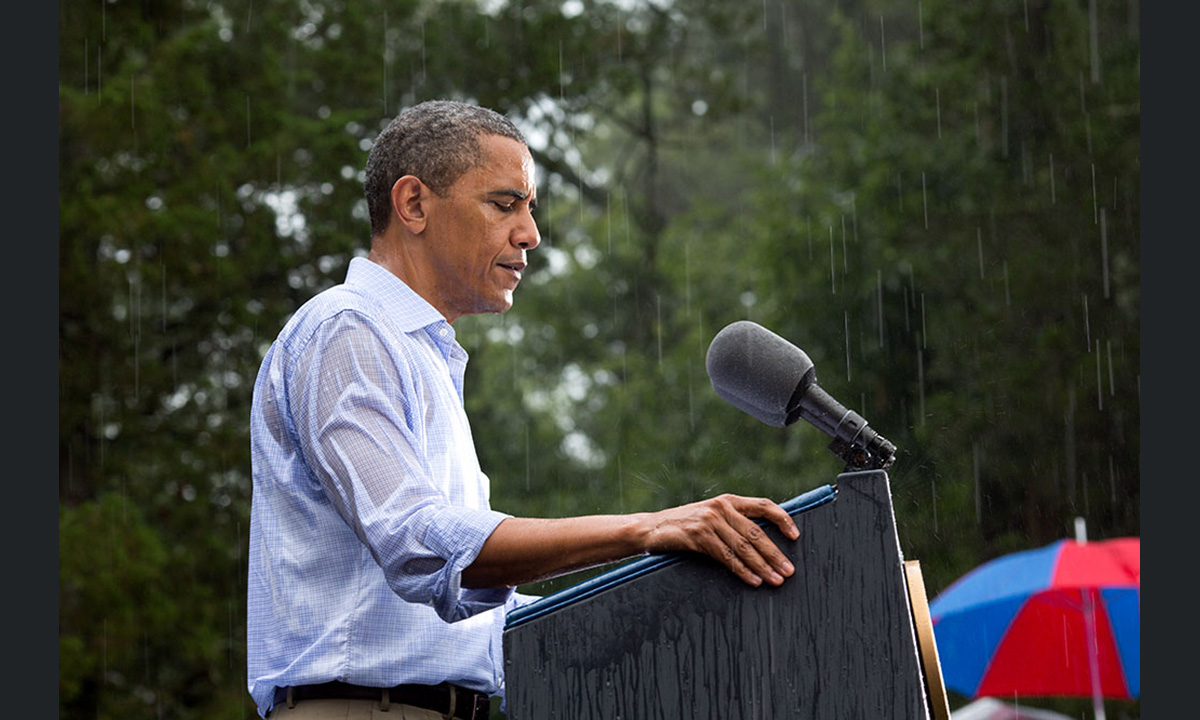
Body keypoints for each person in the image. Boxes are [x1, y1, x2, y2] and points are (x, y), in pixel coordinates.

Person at [247, 99, 801, 719]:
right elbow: (416, 540)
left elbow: (473, 612)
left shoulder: (420, 353)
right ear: (413, 205)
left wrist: (675, 592)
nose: (530, 234)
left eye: (529, 209)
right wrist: (646, 529)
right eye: (504, 204)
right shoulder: (347, 332)